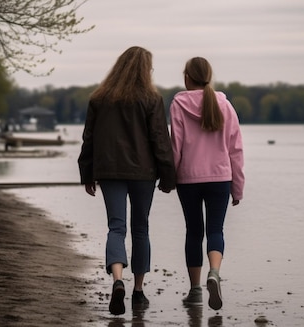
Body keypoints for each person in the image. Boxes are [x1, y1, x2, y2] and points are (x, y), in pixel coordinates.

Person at [77, 46, 176, 316]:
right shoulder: (151, 99)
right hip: (143, 173)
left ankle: (118, 280)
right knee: (141, 229)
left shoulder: (99, 99)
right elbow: (159, 139)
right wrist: (168, 176)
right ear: (146, 70)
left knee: (116, 227)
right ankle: (138, 291)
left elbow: (89, 137)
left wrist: (86, 173)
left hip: (109, 171)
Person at [169, 57, 244, 310]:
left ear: (187, 77)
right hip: (221, 178)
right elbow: (236, 149)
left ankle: (195, 291)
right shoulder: (225, 105)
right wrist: (238, 186)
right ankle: (214, 272)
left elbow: (176, 146)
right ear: (208, 77)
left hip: (188, 178)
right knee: (215, 230)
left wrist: (170, 177)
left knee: (193, 231)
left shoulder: (178, 104)